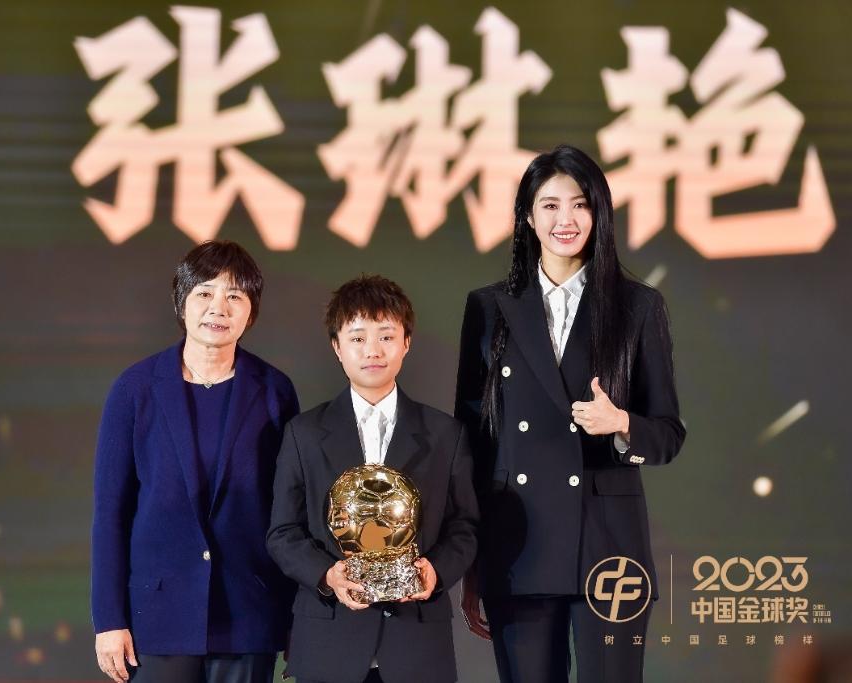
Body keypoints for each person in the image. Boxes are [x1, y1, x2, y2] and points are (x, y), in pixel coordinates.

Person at [455, 145, 686, 683]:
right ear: (527, 216)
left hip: (608, 545)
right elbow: (474, 441)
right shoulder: (489, 307)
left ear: (599, 213)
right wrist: (474, 557)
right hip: (518, 541)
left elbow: (668, 434)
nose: (566, 220)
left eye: (580, 204)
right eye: (550, 205)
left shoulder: (637, 306)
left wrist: (622, 424)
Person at [91, 240, 299, 683]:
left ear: (251, 312)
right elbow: (110, 513)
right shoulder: (135, 389)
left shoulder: (274, 391)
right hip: (157, 617)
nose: (218, 308)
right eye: (205, 292)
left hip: (248, 613)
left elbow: (289, 511)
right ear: (181, 301)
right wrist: (109, 619)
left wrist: (293, 617)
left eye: (235, 296)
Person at [267, 275, 478, 683]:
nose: (373, 351)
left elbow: (465, 526)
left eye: (386, 336)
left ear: (406, 342)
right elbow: (282, 532)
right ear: (337, 347)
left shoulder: (444, 434)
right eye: (358, 338)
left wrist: (435, 571)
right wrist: (327, 575)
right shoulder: (304, 434)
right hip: (330, 640)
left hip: (417, 643)